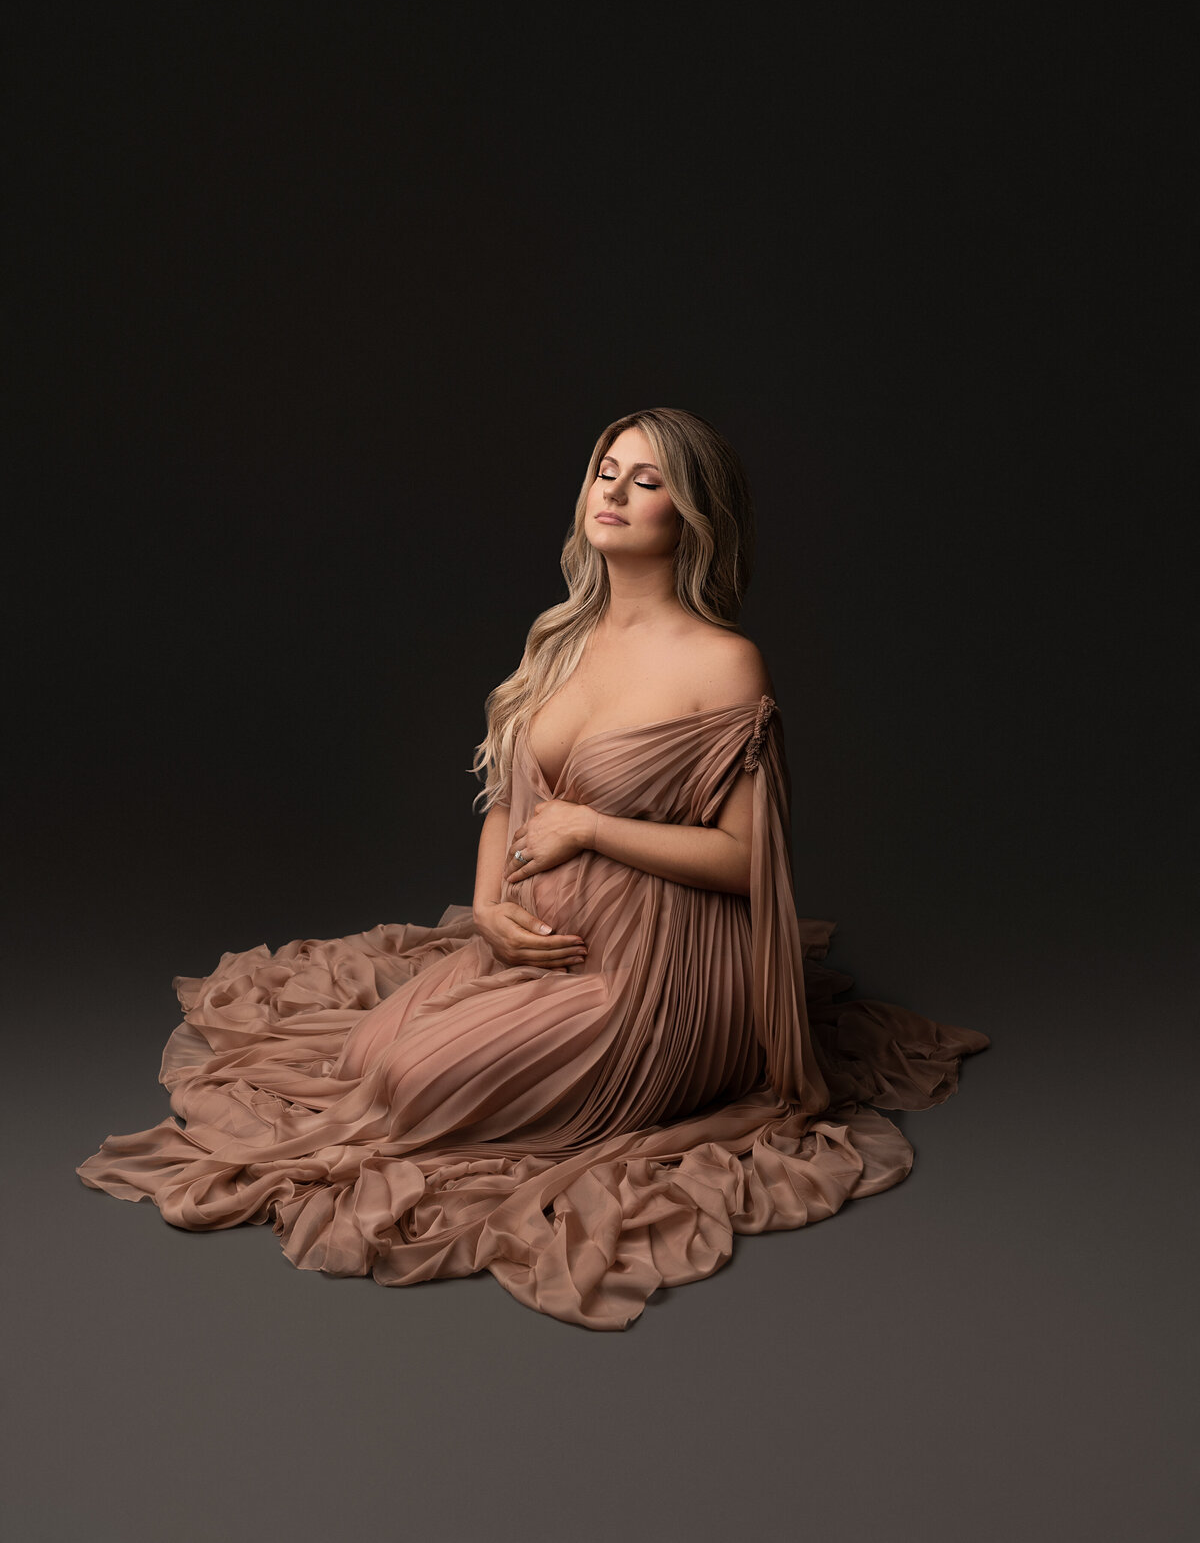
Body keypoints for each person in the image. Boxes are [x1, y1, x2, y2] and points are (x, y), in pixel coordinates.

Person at [77, 406, 989, 1330]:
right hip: (544, 944)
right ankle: (491, 1007)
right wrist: (485, 909)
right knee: (366, 1056)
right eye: (606, 471)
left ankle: (618, 1057)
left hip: (655, 974)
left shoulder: (726, 663)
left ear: (696, 515)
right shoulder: (557, 640)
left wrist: (593, 827)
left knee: (422, 1089)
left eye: (649, 480)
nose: (617, 493)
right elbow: (510, 800)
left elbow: (747, 859)